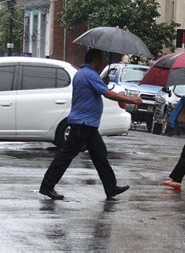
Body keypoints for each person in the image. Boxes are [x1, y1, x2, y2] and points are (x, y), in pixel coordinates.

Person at [39, 49, 143, 200]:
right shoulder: (89, 74)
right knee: (65, 156)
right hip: (83, 124)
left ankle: (111, 187)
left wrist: (103, 83)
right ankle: (47, 186)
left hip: (87, 124)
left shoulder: (82, 73)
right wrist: (131, 99)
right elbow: (107, 93)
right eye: (100, 60)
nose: (101, 63)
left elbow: (97, 89)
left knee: (100, 155)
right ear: (95, 60)